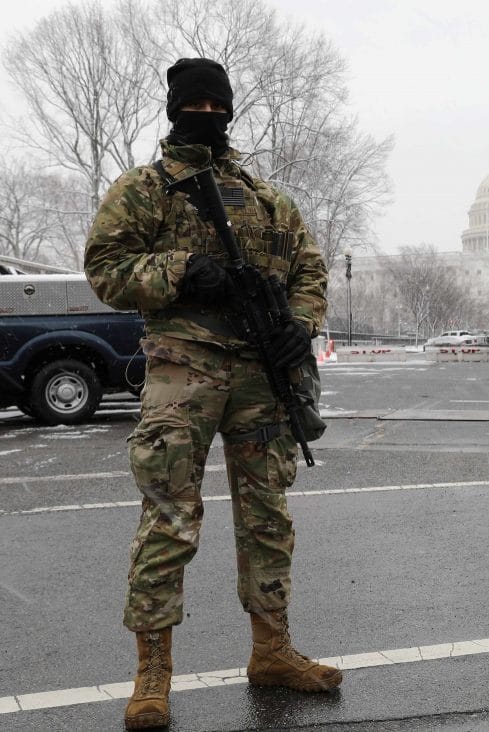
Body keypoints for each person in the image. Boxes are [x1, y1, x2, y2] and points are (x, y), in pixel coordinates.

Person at [84, 58, 339, 730]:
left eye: (215, 105)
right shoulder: (145, 190)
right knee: (169, 515)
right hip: (182, 365)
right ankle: (152, 673)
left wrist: (297, 328)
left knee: (267, 516)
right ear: (173, 109)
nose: (206, 115)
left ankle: (272, 650)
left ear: (229, 110)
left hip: (261, 373)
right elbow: (106, 269)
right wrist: (181, 270)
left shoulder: (264, 197)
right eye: (193, 105)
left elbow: (309, 271)